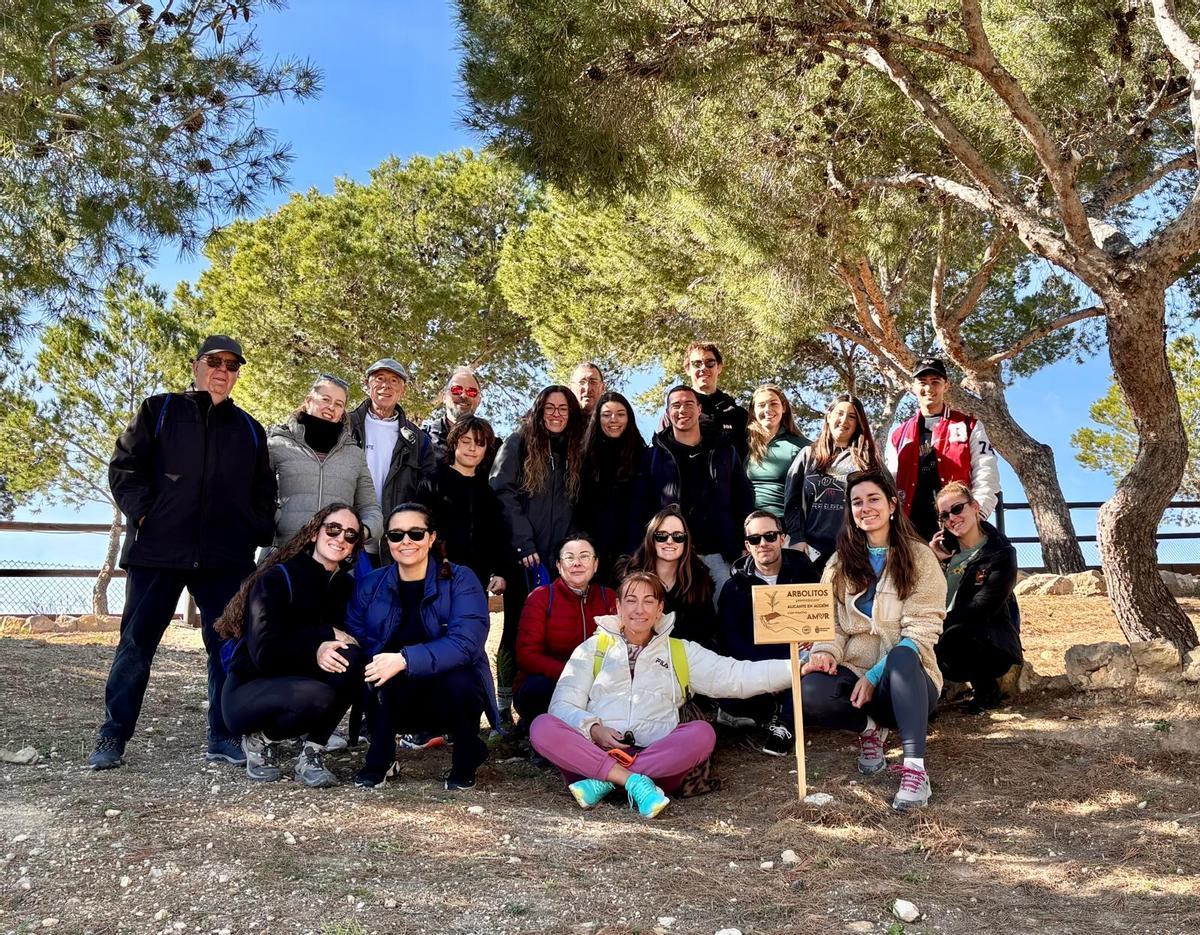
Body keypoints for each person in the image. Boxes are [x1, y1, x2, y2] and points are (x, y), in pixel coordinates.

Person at [89, 335, 277, 770]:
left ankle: (223, 735)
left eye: (232, 366)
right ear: (196, 366)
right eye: (215, 362)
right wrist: (144, 516)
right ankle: (113, 736)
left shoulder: (249, 428)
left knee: (225, 648)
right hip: (158, 551)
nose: (223, 371)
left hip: (224, 558)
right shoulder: (159, 410)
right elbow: (124, 468)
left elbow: (264, 490)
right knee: (136, 646)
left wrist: (253, 528)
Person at [529, 571, 792, 818]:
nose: (639, 609)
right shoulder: (593, 648)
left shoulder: (679, 651)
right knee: (542, 726)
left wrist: (796, 668)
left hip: (652, 760)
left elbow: (736, 676)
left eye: (648, 601)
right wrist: (595, 729)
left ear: (659, 609)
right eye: (631, 601)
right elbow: (562, 705)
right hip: (594, 753)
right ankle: (632, 782)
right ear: (618, 607)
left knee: (702, 732)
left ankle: (607, 781)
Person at [800, 469, 946, 811]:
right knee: (810, 690)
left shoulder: (919, 556)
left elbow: (922, 630)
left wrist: (874, 675)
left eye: (873, 499)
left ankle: (914, 770)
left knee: (901, 658)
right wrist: (824, 652)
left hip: (909, 678)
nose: (865, 508)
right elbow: (830, 622)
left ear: (892, 505)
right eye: (856, 502)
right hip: (855, 666)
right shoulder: (839, 562)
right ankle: (868, 730)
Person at [345, 503, 497, 790]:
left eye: (415, 533)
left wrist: (404, 659)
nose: (406, 542)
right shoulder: (371, 584)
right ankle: (381, 759)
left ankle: (466, 757)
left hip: (448, 685)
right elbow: (357, 633)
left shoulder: (460, 579)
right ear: (386, 540)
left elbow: (466, 641)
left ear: (431, 538)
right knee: (376, 671)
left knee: (462, 681)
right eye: (396, 535)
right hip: (394, 689)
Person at [216, 504, 367, 787]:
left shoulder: (345, 586)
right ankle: (258, 741)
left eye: (350, 535)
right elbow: (264, 653)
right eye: (333, 529)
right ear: (314, 533)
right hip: (249, 690)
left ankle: (312, 753)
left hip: (302, 681)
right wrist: (318, 642)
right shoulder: (277, 578)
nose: (340, 538)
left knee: (353, 658)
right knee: (317, 696)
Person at [489, 385, 585, 728]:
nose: (557, 414)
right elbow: (501, 491)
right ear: (539, 410)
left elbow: (576, 504)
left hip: (559, 557)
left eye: (563, 409)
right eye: (550, 407)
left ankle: (549, 703)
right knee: (515, 628)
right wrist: (522, 542)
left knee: (553, 631)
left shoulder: (576, 450)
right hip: (523, 556)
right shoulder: (520, 442)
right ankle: (501, 709)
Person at [715, 510, 818, 750]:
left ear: (782, 538)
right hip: (757, 662)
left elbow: (823, 614)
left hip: (800, 656)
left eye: (770, 536)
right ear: (747, 545)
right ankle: (770, 710)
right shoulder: (734, 587)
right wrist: (771, 673)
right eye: (755, 539)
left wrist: (814, 639)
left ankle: (784, 724)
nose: (763, 543)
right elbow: (730, 640)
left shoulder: (806, 573)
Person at [648, 385, 753, 598]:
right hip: (674, 556)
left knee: (727, 617)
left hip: (721, 553)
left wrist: (744, 541)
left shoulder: (724, 451)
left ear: (699, 408)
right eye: (675, 405)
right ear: (668, 413)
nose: (682, 410)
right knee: (678, 626)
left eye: (688, 404)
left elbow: (743, 498)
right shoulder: (653, 457)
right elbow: (642, 506)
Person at [930, 481, 1022, 714]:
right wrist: (934, 561)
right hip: (944, 635)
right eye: (944, 515)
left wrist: (935, 628)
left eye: (957, 509)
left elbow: (981, 607)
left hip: (987, 642)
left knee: (959, 634)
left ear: (974, 507)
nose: (952, 518)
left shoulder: (1000, 553)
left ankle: (987, 691)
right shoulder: (946, 553)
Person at [885, 357, 1000, 541]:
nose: (929, 388)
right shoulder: (898, 434)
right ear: (913, 387)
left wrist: (977, 517)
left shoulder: (969, 426)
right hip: (909, 533)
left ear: (946, 385)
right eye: (922, 383)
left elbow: (986, 473)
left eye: (935, 382)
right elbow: (890, 482)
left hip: (958, 528)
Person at [268, 374, 383, 554]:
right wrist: (277, 523)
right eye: (325, 399)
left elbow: (370, 508)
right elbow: (257, 499)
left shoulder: (355, 454)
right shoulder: (277, 445)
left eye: (339, 404)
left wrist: (360, 533)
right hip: (284, 555)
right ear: (308, 401)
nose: (331, 407)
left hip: (336, 562)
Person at [514, 533, 617, 724]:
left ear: (595, 564)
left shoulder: (608, 598)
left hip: (598, 683)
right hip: (552, 680)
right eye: (569, 558)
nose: (577, 563)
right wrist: (572, 674)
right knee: (540, 688)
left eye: (584, 556)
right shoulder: (541, 598)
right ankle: (541, 737)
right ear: (559, 566)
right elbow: (526, 655)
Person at [785, 394, 882, 570]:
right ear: (829, 416)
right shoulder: (808, 454)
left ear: (859, 423)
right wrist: (797, 538)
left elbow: (884, 502)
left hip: (854, 550)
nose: (844, 420)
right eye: (839, 413)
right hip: (809, 551)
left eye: (852, 416)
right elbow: (792, 502)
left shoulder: (868, 460)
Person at [416, 416, 508, 596]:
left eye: (480, 444)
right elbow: (418, 527)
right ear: (454, 442)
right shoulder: (432, 482)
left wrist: (499, 572)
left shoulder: (488, 493)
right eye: (466, 441)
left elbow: (496, 536)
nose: (472, 448)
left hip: (476, 579)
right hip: (435, 574)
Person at [575, 391, 652, 584]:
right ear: (597, 418)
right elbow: (579, 509)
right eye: (606, 414)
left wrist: (635, 552)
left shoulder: (645, 457)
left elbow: (648, 507)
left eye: (620, 414)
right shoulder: (584, 459)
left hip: (635, 553)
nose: (613, 419)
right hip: (593, 555)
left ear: (629, 418)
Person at [348, 357, 435, 526]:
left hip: (396, 535)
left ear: (403, 390)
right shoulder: (345, 426)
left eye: (394, 381)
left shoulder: (419, 441)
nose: (386, 385)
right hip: (348, 531)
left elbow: (427, 495)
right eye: (379, 378)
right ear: (367, 384)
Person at [618, 506, 716, 648]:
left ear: (686, 542)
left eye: (677, 537)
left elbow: (705, 634)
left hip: (686, 661)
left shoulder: (699, 581)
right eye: (661, 536)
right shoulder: (629, 576)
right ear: (651, 538)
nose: (670, 541)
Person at [745, 384, 810, 520]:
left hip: (784, 526)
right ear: (753, 411)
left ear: (784, 408)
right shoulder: (743, 444)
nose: (768, 409)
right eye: (761, 405)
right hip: (749, 527)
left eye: (773, 404)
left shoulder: (802, 446)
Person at [683, 341, 749, 461]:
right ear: (688, 369)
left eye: (710, 363)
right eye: (697, 364)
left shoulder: (738, 414)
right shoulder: (676, 413)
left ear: (719, 367)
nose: (703, 368)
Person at [423, 367, 495, 469]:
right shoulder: (422, 439)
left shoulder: (494, 446)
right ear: (444, 396)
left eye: (472, 392)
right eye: (456, 389)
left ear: (479, 400)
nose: (464, 395)